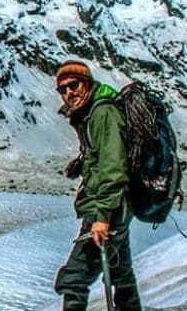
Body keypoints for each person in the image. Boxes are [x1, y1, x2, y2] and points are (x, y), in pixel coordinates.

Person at [52, 60, 142, 311]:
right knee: (120, 270)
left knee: (74, 277)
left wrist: (102, 216)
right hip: (116, 205)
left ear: (87, 83)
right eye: (63, 89)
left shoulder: (103, 112)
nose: (69, 93)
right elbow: (103, 156)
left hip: (108, 207)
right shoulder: (92, 113)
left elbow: (113, 167)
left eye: (74, 84)